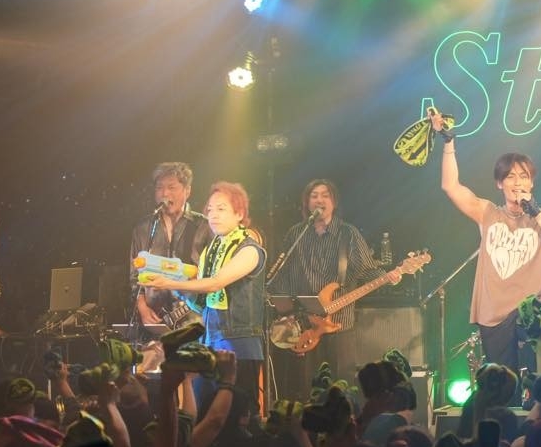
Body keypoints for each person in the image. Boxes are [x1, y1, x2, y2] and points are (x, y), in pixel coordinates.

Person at [429, 109, 541, 374]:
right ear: (500, 183)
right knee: (504, 382)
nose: (517, 182)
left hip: (529, 313)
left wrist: (536, 212)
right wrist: (449, 143)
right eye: (510, 176)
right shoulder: (488, 213)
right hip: (493, 314)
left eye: (524, 176)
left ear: (532, 183)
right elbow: (451, 187)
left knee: (536, 378)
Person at [268, 179, 392, 399]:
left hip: (340, 324)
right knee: (307, 390)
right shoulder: (296, 234)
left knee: (342, 388)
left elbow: (366, 270)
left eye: (325, 195)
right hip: (304, 324)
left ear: (334, 202)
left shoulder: (348, 234)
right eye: (314, 195)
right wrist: (287, 314)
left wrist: (390, 278)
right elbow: (284, 276)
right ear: (306, 203)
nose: (319, 200)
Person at [164, 182, 267, 419]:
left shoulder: (250, 250)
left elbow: (215, 283)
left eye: (221, 209)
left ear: (239, 214)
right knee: (204, 414)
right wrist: (176, 285)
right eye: (210, 210)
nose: (213, 215)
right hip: (211, 340)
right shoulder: (211, 251)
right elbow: (202, 301)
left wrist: (168, 283)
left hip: (240, 345)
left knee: (238, 418)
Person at [129, 162, 213, 334]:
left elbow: (214, 275)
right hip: (155, 319)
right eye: (159, 188)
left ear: (187, 191)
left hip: (193, 319)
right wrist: (142, 308)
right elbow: (134, 277)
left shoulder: (204, 226)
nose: (164, 193)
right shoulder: (143, 228)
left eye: (171, 187)